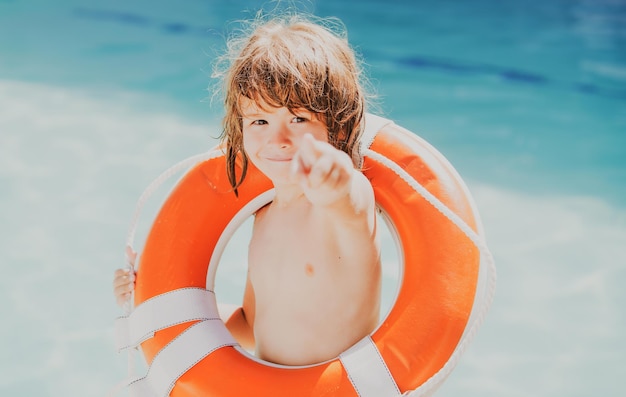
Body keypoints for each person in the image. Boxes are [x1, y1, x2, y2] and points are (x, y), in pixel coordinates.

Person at [113, 13, 381, 366]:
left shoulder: (339, 208)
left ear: (340, 128)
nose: (278, 139)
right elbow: (252, 325)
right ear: (240, 129)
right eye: (260, 121)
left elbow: (348, 199)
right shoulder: (265, 215)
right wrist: (155, 299)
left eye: (298, 119)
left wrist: (333, 174)